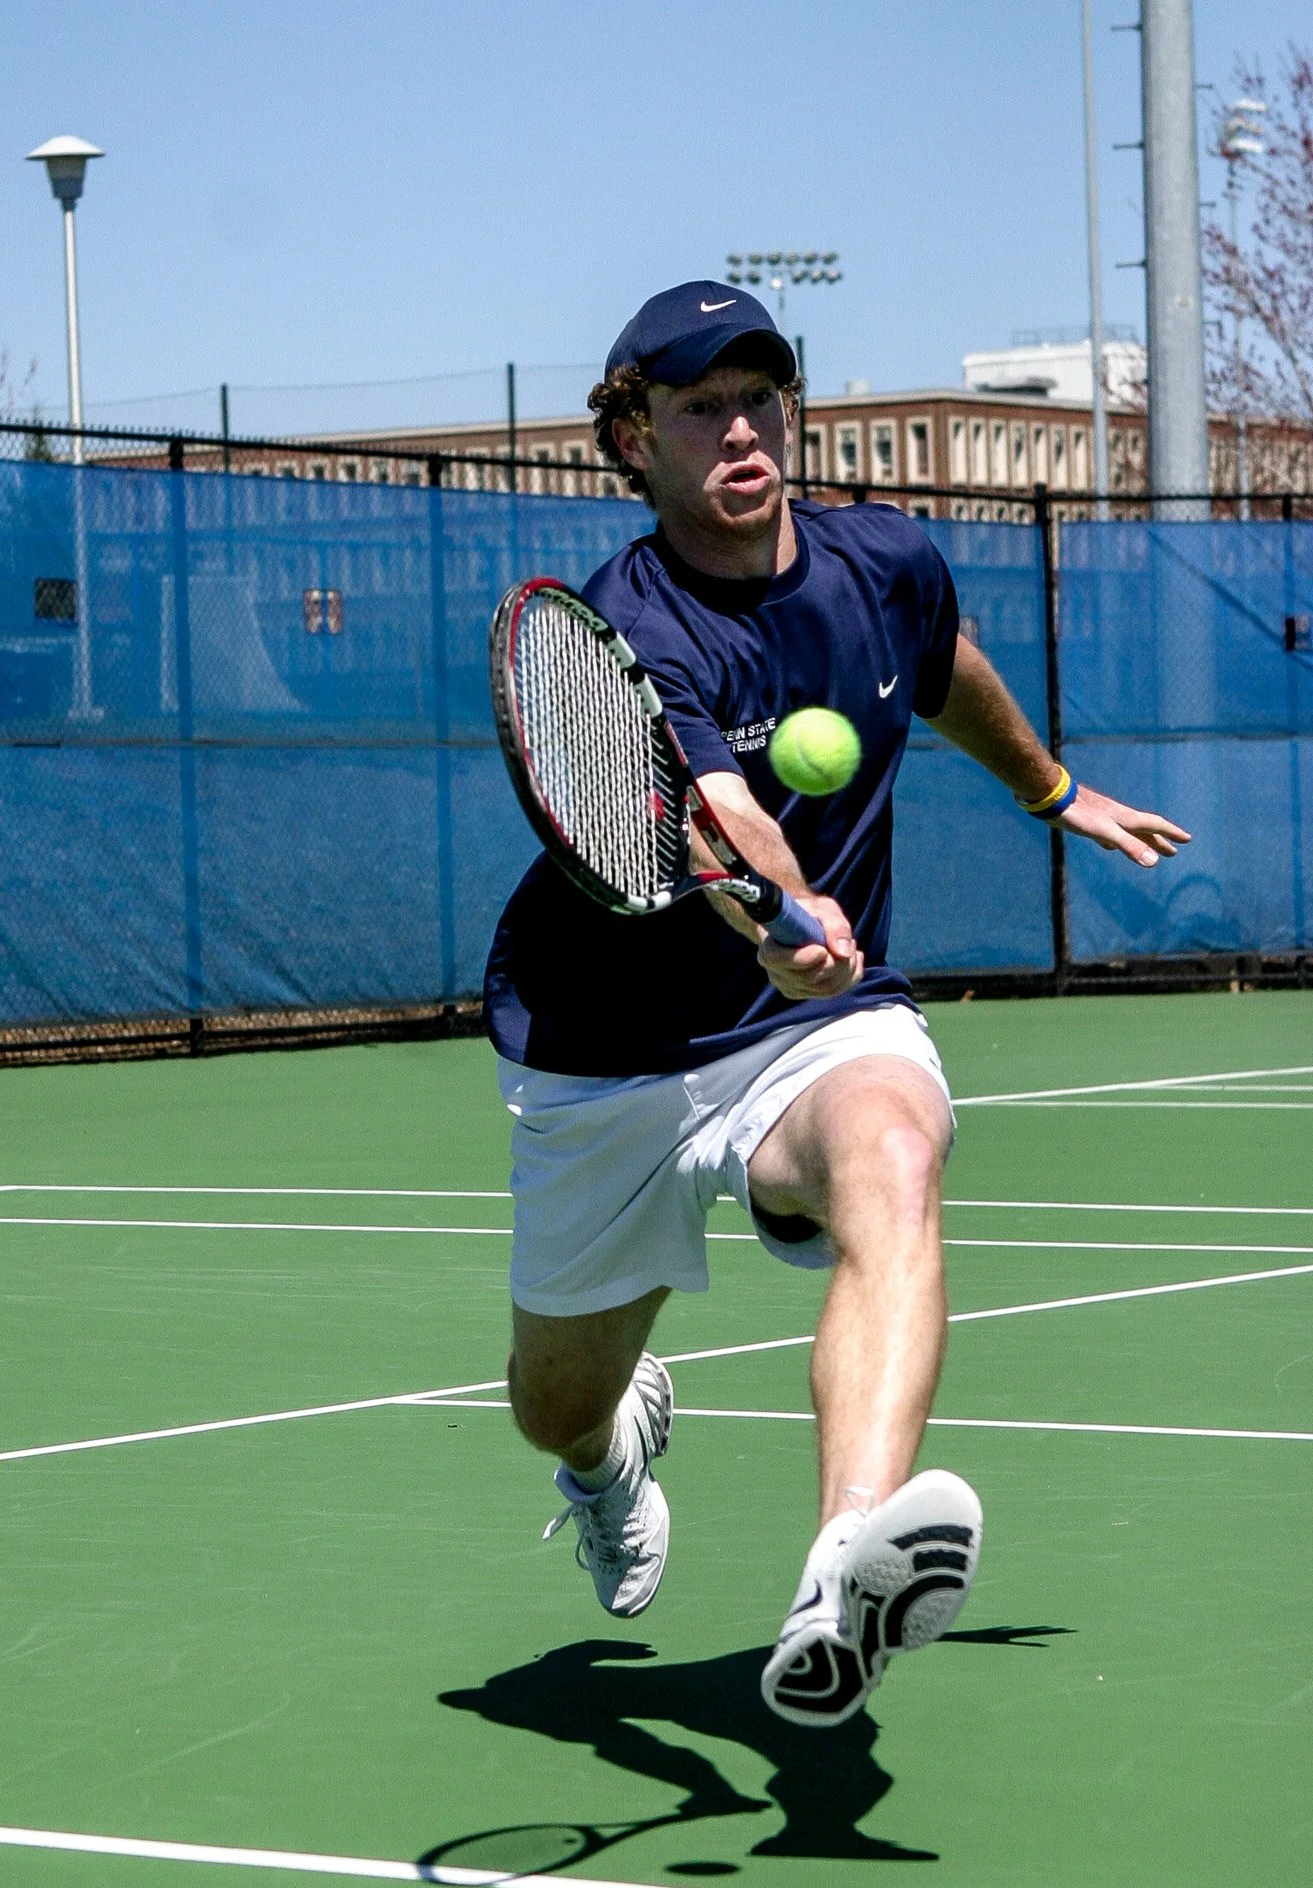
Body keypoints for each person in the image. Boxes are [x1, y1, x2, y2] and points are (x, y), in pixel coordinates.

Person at [481, 282, 1188, 1728]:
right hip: (611, 1054)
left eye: (760, 398)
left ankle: (837, 1569)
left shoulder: (885, 562)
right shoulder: (626, 632)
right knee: (550, 1400)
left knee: (892, 1151)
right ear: (633, 442)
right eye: (698, 410)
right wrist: (783, 913)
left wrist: (1050, 789)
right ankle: (611, 1449)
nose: (742, 432)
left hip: (814, 1031)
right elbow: (721, 810)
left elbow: (942, 672)